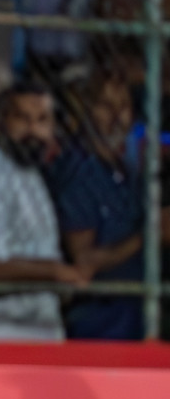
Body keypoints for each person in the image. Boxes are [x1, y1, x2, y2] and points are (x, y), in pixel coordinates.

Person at [0, 83, 83, 340]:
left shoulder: (30, 169)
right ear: (1, 121)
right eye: (22, 119)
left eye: (42, 120)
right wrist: (55, 272)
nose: (33, 130)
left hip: (36, 321)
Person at [52, 73, 147, 339]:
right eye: (106, 106)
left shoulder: (130, 172)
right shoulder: (79, 171)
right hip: (97, 317)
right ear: (87, 109)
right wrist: (146, 237)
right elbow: (84, 260)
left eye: (124, 107)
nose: (117, 116)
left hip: (132, 311)